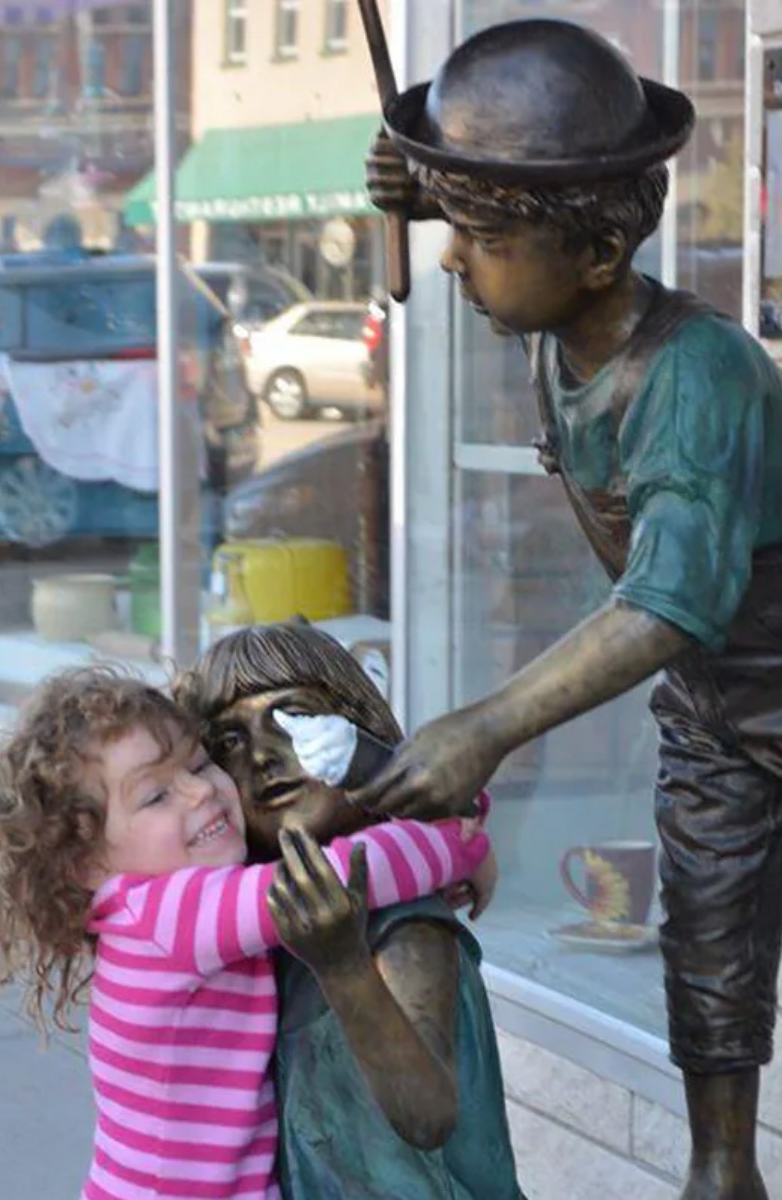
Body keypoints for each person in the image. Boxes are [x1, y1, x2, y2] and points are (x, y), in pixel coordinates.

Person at [364, 18, 782, 1200]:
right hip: (720, 715)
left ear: (597, 248)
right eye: (460, 225)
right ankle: (720, 1179)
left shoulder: (699, 375)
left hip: (747, 676)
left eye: (485, 235)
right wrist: (424, 184)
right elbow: (489, 230)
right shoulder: (562, 322)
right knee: (708, 966)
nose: (456, 260)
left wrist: (486, 723)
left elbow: (669, 600)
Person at [0, 667, 492, 1200]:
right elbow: (341, 876)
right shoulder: (165, 917)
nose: (200, 791)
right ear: (85, 863)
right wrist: (461, 841)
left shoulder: (164, 912)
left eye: (199, 762)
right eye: (156, 796)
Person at [176, 621, 523, 1200]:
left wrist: (343, 967)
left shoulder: (401, 925)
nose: (264, 755)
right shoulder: (264, 917)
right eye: (230, 743)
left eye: (292, 717)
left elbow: (427, 1115)